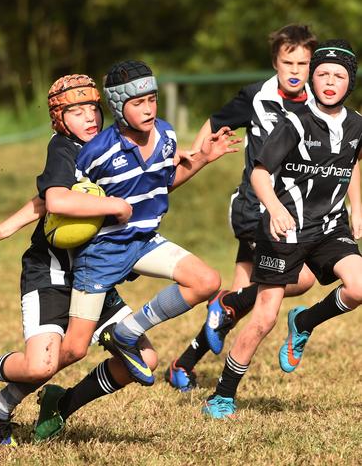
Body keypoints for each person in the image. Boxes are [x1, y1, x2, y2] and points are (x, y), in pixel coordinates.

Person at [0, 74, 149, 446]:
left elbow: (152, 182)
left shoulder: (110, 147)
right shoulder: (63, 148)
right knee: (42, 364)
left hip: (94, 275)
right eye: (76, 111)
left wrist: (197, 159)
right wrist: (6, 229)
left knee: (144, 361)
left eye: (93, 109)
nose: (89, 118)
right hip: (51, 272)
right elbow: (51, 199)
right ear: (59, 118)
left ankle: (59, 404)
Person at [202, 40, 362, 419]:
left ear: (349, 83)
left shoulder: (357, 124)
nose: (329, 81)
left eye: (338, 76)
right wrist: (273, 209)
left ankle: (304, 321)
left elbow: (353, 164)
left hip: (329, 227)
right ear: (312, 77)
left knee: (359, 286)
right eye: (322, 73)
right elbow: (259, 173)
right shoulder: (294, 122)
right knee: (263, 318)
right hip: (285, 229)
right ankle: (222, 394)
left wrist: (357, 206)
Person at [165, 24, 324, 391]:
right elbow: (215, 122)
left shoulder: (319, 101)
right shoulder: (256, 96)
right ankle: (226, 307)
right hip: (258, 210)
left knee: (239, 302)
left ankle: (183, 364)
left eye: (303, 62)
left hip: (292, 213)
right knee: (300, 278)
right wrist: (195, 150)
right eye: (289, 62)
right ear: (275, 62)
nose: (296, 70)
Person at [66, 60, 239, 390]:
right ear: (118, 106)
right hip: (101, 253)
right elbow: (67, 201)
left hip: (143, 240)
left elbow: (162, 184)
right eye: (137, 102)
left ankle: (126, 332)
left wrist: (202, 158)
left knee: (206, 281)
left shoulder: (167, 135)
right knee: (73, 349)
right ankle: (5, 396)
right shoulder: (95, 153)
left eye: (152, 99)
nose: (148, 109)